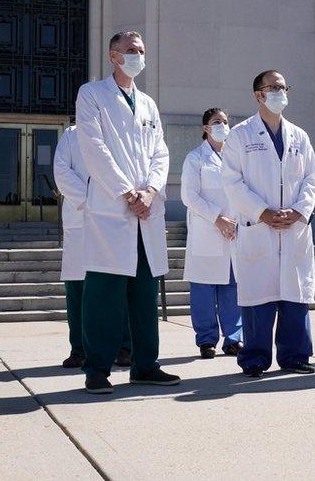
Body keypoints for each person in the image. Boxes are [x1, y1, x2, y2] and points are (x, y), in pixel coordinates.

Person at [76, 30, 180, 394]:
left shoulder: (148, 104)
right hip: (112, 209)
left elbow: (160, 153)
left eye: (141, 51)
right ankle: (97, 369)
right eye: (131, 50)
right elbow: (93, 147)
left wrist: (150, 191)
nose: (138, 56)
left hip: (146, 212)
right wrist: (127, 192)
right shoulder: (92, 95)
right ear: (113, 56)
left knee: (144, 292)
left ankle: (146, 364)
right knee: (104, 292)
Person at [221, 70, 315, 378]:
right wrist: (261, 211)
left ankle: (295, 356)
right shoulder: (240, 135)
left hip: (293, 228)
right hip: (258, 228)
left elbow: (311, 178)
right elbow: (232, 181)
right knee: (257, 298)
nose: (279, 92)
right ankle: (254, 358)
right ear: (258, 95)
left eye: (282, 87)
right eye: (272, 87)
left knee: (294, 295)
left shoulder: (299, 136)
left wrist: (300, 211)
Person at [53, 125, 132, 369]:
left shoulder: (117, 130)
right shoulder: (71, 135)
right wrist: (92, 198)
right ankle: (79, 349)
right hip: (81, 217)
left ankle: (124, 347)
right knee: (77, 289)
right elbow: (62, 172)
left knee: (117, 287)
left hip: (114, 218)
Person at [180, 108, 244, 359]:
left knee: (232, 290)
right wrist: (217, 218)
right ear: (206, 128)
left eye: (226, 122)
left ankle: (233, 339)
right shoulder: (195, 158)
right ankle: (206, 340)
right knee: (204, 293)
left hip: (233, 233)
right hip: (207, 231)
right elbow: (189, 195)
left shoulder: (235, 158)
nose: (222, 126)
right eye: (217, 122)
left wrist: (237, 222)